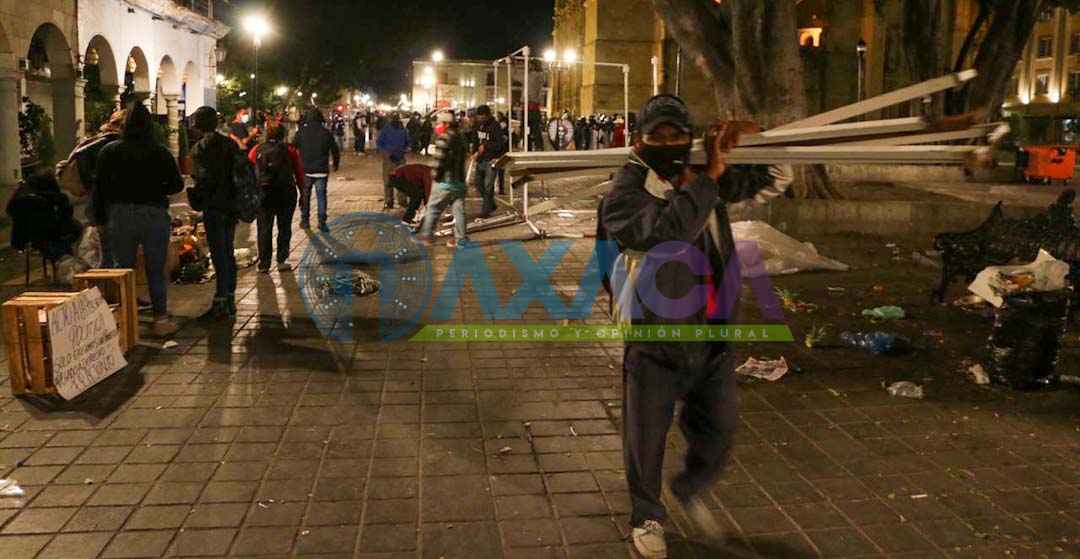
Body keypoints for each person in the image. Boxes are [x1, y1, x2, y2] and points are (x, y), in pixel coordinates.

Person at [599, 94, 793, 559]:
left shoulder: (705, 175)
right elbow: (668, 233)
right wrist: (708, 180)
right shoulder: (626, 192)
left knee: (719, 428)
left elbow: (778, 177)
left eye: (677, 134)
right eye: (658, 135)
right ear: (640, 140)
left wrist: (756, 137)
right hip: (657, 337)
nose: (669, 143)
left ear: (690, 136)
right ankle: (647, 516)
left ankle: (689, 487)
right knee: (646, 436)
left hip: (713, 333)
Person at [95, 103, 185, 337]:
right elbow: (176, 184)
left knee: (123, 269)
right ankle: (160, 320)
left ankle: (125, 321)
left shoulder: (110, 151)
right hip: (153, 213)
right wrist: (158, 186)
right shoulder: (160, 151)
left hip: (120, 214)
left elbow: (100, 188)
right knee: (156, 269)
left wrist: (100, 220)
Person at [188, 106, 239, 320]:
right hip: (231, 205)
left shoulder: (201, 148)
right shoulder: (229, 144)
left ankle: (220, 302)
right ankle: (229, 298)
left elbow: (200, 178)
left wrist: (197, 196)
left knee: (219, 254)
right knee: (228, 251)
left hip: (214, 207)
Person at [248, 122, 304, 273]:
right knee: (284, 227)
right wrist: (303, 194)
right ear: (282, 135)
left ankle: (264, 264)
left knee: (264, 228)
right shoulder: (289, 150)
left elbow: (249, 169)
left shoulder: (256, 150)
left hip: (264, 194)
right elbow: (299, 173)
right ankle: (281, 260)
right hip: (286, 193)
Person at [419, 112, 468, 247]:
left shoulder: (444, 138)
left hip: (445, 182)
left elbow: (439, 161)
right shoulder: (461, 137)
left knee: (433, 209)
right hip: (460, 181)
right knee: (459, 211)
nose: (437, 126)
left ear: (446, 124)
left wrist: (434, 175)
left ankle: (427, 237)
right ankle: (461, 239)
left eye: (440, 123)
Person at [294, 108, 341, 232]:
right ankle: (322, 221)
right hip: (321, 169)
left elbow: (293, 148)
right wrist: (336, 164)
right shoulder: (326, 133)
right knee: (321, 196)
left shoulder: (301, 132)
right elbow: (335, 150)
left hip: (306, 169)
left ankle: (305, 220)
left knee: (305, 196)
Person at [471, 105, 506, 218]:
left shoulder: (495, 126)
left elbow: (500, 144)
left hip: (492, 159)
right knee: (478, 183)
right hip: (481, 159)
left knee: (488, 186)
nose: (480, 119)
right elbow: (475, 140)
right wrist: (474, 152)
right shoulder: (477, 125)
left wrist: (486, 146)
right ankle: (491, 204)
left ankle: (486, 211)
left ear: (487, 116)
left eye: (482, 117)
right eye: (478, 117)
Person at [376, 114, 410, 210]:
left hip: (398, 158)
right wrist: (387, 153)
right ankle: (390, 201)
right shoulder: (387, 130)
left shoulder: (403, 130)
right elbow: (379, 143)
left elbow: (407, 143)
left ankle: (400, 200)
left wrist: (405, 149)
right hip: (390, 159)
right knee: (389, 181)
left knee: (400, 181)